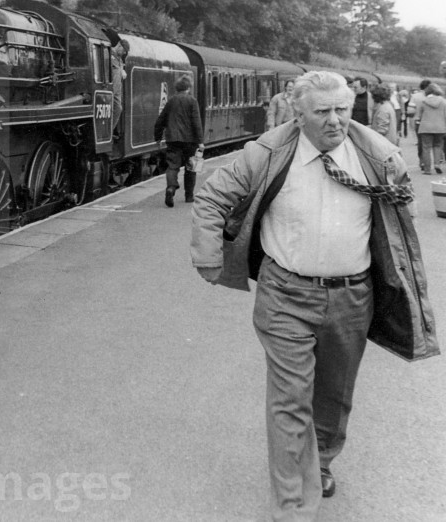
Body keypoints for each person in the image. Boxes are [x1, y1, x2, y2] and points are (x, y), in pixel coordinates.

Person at [190, 71, 438, 522]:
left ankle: (320, 459)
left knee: (334, 394)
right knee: (289, 399)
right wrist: (208, 255)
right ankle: (291, 507)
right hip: (285, 294)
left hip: (352, 297)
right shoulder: (265, 153)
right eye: (321, 112)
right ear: (297, 113)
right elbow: (212, 198)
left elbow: (404, 214)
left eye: (342, 109)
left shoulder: (378, 156)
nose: (335, 120)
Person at [153, 74, 204, 207]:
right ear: (188, 87)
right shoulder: (192, 101)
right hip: (190, 141)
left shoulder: (171, 101)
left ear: (177, 88)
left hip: (173, 139)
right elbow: (196, 123)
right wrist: (200, 141)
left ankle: (171, 188)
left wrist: (158, 137)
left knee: (172, 166)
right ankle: (189, 196)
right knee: (191, 168)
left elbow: (160, 121)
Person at [414, 83, 446, 174]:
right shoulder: (443, 101)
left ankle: (427, 169)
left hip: (426, 127)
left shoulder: (424, 101)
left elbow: (419, 115)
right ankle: (437, 164)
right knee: (438, 146)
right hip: (440, 127)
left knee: (426, 148)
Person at [410, 79, 431, 166]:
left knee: (421, 142)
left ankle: (422, 161)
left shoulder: (415, 96)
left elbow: (410, 110)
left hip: (417, 121)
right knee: (431, 143)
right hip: (430, 121)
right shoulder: (431, 96)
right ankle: (437, 160)